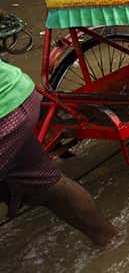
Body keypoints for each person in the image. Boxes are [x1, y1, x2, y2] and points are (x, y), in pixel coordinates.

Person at [0, 58, 117, 246]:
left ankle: (109, 240)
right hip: (14, 98)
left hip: (6, 108)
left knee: (46, 185)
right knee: (45, 184)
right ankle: (111, 241)